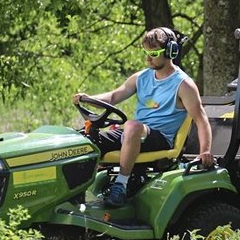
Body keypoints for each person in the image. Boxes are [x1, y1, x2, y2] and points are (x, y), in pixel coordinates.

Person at [72, 27, 213, 206]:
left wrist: (205, 152)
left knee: (132, 126)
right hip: (134, 134)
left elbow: (201, 120)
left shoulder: (184, 85)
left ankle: (120, 186)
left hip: (160, 138)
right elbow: (114, 96)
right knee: (82, 140)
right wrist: (88, 99)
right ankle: (75, 194)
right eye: (145, 52)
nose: (147, 58)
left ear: (170, 52)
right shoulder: (141, 77)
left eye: (153, 53)